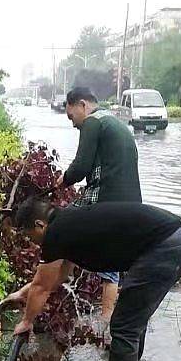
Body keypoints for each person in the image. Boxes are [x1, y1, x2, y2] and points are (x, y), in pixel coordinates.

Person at [11, 198, 181, 361]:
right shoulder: (67, 222)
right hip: (178, 237)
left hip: (167, 246)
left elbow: (41, 287)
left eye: (29, 235)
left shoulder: (55, 234)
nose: (32, 242)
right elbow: (57, 277)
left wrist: (26, 322)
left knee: (124, 326)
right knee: (132, 320)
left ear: (39, 225)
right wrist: (25, 293)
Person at [56, 86, 142, 321]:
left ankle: (103, 318)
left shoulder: (93, 122)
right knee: (112, 258)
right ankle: (107, 319)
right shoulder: (115, 123)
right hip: (133, 205)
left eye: (71, 116)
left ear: (82, 105)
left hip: (107, 201)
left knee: (63, 224)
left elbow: (81, 166)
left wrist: (63, 180)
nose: (73, 124)